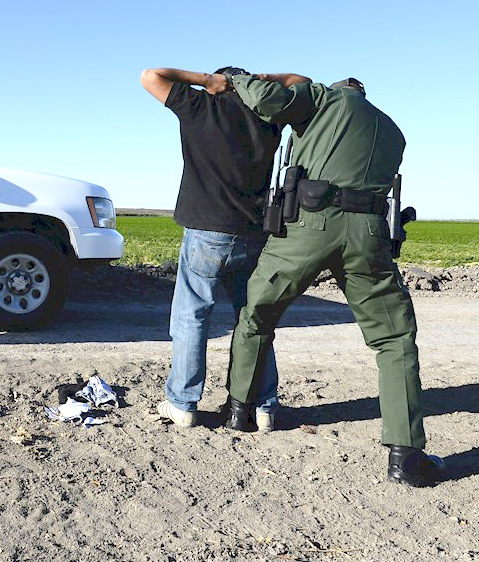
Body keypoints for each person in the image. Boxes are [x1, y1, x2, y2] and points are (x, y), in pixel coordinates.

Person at [223, 73, 442, 487]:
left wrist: (238, 79)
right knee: (394, 340)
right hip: (370, 234)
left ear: (340, 89)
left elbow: (268, 100)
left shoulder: (324, 99)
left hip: (308, 226)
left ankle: (240, 410)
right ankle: (406, 456)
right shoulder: (393, 132)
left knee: (257, 314)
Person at [140, 67, 282, 430]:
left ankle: (182, 403)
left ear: (218, 86)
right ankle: (263, 407)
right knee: (254, 321)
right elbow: (302, 81)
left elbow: (150, 76)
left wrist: (205, 81)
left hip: (206, 232)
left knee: (191, 316)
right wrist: (259, 81)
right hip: (253, 235)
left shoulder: (200, 106)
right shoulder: (267, 115)